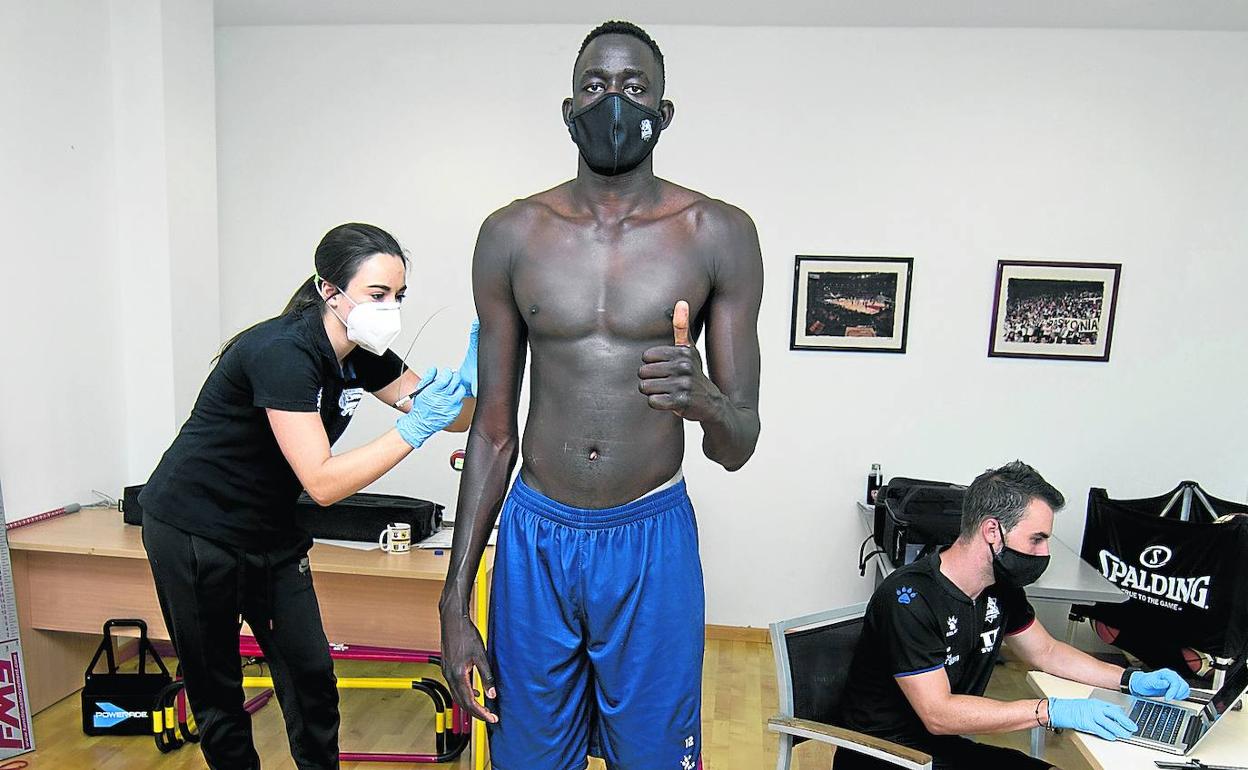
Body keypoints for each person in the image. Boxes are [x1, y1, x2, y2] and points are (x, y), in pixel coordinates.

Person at [438, 20, 763, 770]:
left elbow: (739, 443)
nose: (613, 100)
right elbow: (492, 432)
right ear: (568, 107)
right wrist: (455, 600)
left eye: (635, 86)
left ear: (665, 111)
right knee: (525, 756)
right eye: (595, 85)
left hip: (650, 536)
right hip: (535, 533)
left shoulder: (719, 233)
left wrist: (706, 398)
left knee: (651, 759)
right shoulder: (510, 234)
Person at [139, 222, 478, 770]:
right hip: (196, 529)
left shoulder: (365, 353)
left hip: (270, 529)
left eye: (399, 296)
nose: (391, 308)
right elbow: (322, 483)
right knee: (218, 690)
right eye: (377, 295)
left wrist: (468, 382)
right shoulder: (282, 351)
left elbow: (453, 419)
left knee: (311, 677)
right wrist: (413, 433)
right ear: (329, 290)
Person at [837, 461, 1192, 770]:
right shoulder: (909, 598)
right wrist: (1047, 711)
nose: (1044, 552)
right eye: (1036, 539)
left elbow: (1046, 652)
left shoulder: (1000, 586)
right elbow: (939, 714)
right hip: (886, 756)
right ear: (992, 530)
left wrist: (1129, 680)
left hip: (940, 750)